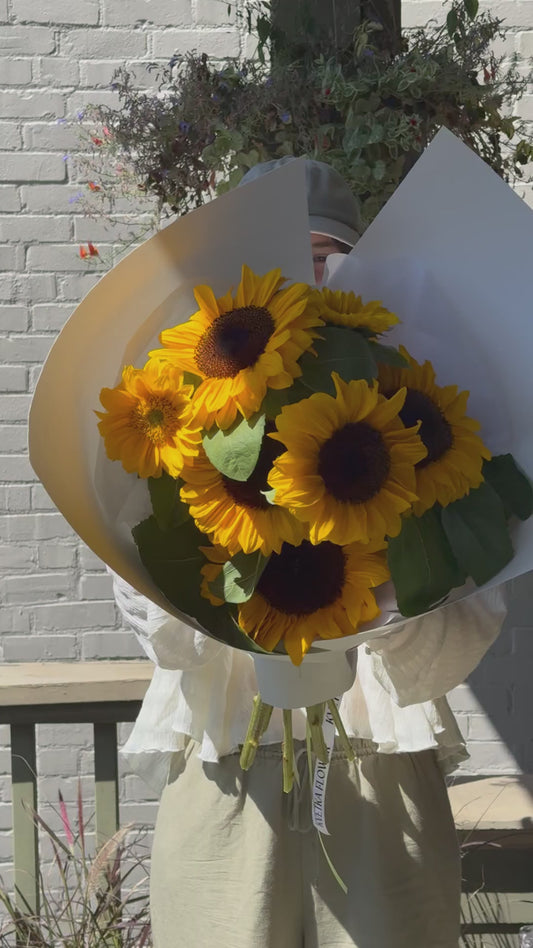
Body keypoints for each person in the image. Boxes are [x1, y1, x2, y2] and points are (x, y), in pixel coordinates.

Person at [112, 159, 507, 948]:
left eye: (324, 259)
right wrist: (225, 572)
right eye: (286, 260)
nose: (305, 281)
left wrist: (386, 593)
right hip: (224, 760)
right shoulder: (188, 411)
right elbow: (156, 628)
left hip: (377, 763)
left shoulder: (411, 423)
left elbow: (450, 649)